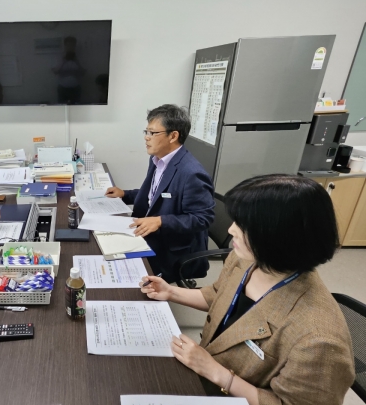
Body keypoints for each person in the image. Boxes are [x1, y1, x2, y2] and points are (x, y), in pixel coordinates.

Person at [140, 174, 354, 405]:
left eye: (244, 225)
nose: (231, 229)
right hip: (201, 375)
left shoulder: (319, 340)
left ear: (280, 236)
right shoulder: (247, 260)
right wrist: (171, 292)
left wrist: (217, 373)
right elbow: (217, 295)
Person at [106, 104, 215, 283]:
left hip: (172, 249)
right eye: (146, 132)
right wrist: (125, 194)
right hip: (150, 233)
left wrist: (160, 221)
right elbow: (155, 194)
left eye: (153, 133)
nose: (146, 137)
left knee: (118, 271)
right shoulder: (157, 159)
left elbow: (203, 218)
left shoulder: (192, 173)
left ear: (173, 136)